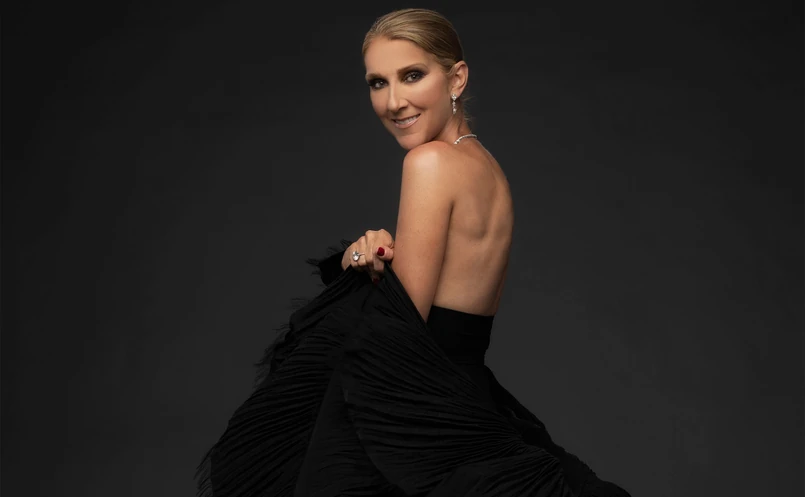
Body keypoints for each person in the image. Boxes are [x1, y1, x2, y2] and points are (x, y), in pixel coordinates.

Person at [196, 8, 631, 496]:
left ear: (456, 78)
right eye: (377, 83)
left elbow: (400, 328)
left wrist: (356, 268)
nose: (393, 102)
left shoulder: (429, 163)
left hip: (413, 414)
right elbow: (431, 299)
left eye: (411, 76)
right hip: (463, 397)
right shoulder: (486, 167)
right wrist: (364, 257)